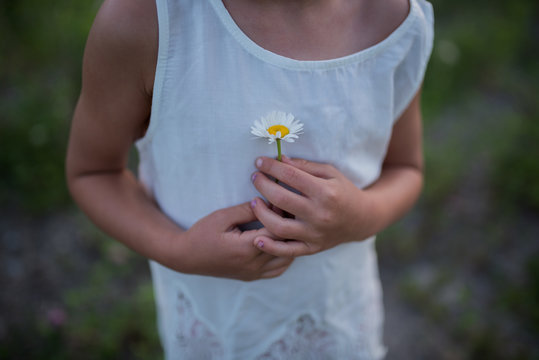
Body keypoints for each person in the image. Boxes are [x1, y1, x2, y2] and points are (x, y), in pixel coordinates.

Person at [66, 0, 433, 358]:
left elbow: (405, 168)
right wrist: (178, 249)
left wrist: (362, 215)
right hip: (216, 327)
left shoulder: (394, 20)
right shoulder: (146, 20)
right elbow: (94, 172)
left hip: (335, 321)